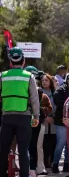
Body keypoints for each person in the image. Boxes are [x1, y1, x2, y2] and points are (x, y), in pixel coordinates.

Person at [0, 47, 40, 177]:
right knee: (23, 149)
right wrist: (36, 116)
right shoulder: (29, 76)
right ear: (23, 61)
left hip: (6, 117)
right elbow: (34, 98)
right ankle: (24, 174)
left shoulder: (2, 76)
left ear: (11, 61)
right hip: (24, 118)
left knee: (3, 148)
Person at [53, 73, 69, 173]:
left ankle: (67, 165)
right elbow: (57, 99)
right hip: (61, 120)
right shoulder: (61, 89)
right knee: (61, 143)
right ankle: (55, 164)